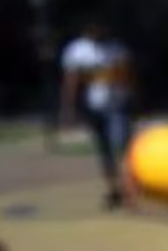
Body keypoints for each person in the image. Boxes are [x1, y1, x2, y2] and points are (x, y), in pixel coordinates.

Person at [60, 19, 135, 210]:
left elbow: (128, 77)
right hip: (94, 107)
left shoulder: (117, 48)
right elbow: (72, 82)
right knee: (104, 151)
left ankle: (129, 189)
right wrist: (69, 109)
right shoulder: (77, 50)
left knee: (121, 145)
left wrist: (134, 101)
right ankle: (113, 189)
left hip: (118, 105)